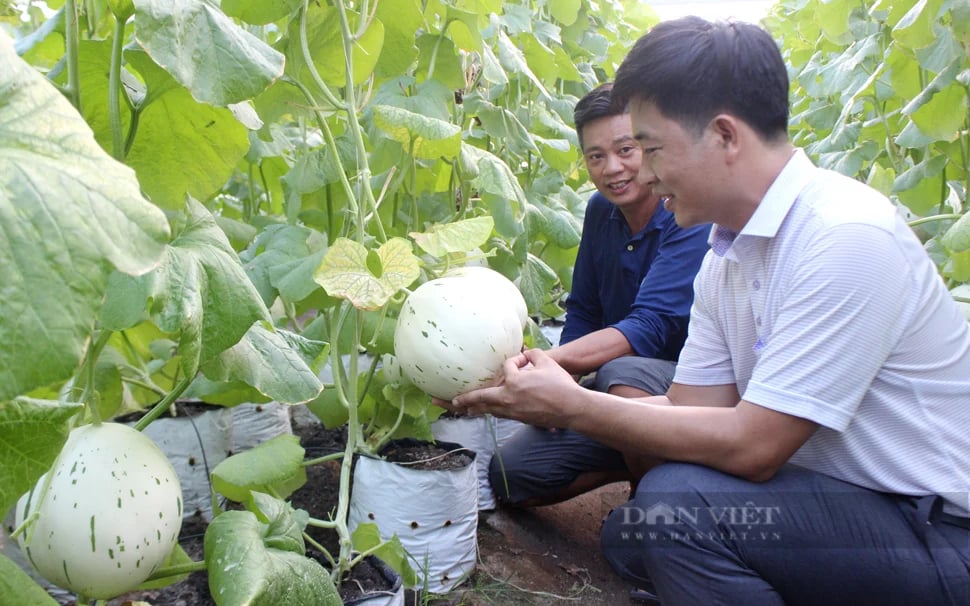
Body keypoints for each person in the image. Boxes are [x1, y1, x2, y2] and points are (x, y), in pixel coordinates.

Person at [449, 16, 970, 606]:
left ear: (723, 135)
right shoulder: (729, 250)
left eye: (648, 148)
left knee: (675, 511)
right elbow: (690, 410)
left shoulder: (845, 235)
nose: (640, 172)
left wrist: (574, 404)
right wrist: (543, 395)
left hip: (933, 529)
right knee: (634, 535)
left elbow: (752, 446)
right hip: (830, 498)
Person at [488, 83, 710, 508]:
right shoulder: (599, 211)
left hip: (688, 392)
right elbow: (584, 310)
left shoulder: (688, 214)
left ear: (649, 147)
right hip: (616, 396)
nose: (612, 168)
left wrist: (546, 363)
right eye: (596, 156)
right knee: (512, 476)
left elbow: (649, 326)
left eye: (626, 150)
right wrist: (560, 383)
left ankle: (656, 508)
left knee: (623, 372)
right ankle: (637, 459)